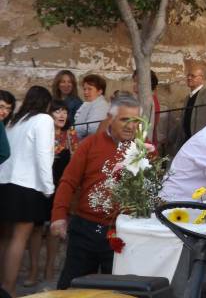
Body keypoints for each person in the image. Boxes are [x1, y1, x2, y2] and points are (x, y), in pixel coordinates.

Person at [50, 95, 141, 289]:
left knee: (118, 291)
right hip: (86, 229)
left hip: (125, 232)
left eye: (136, 121)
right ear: (110, 117)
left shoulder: (144, 149)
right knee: (71, 288)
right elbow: (68, 182)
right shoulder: (90, 145)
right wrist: (58, 215)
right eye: (125, 119)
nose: (131, 126)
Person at [0, 86, 54, 297]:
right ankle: (9, 288)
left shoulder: (14, 121)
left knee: (4, 237)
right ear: (46, 104)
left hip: (4, 183)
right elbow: (43, 156)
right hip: (27, 185)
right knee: (19, 238)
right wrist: (48, 188)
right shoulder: (43, 120)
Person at [25, 100, 79, 286]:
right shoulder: (41, 131)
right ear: (49, 114)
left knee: (55, 229)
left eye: (64, 111)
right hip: (39, 187)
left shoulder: (70, 134)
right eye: (57, 111)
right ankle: (33, 271)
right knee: (36, 228)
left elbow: (76, 159)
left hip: (61, 188)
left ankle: (49, 269)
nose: (62, 115)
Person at [170, 63, 206, 153]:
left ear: (201, 78)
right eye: (188, 75)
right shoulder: (188, 97)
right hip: (189, 142)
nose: (189, 78)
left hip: (203, 144)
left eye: (193, 76)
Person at [131, 69, 163, 146]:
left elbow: (147, 126)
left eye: (138, 82)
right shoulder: (139, 98)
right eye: (134, 81)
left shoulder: (148, 101)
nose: (134, 84)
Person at [73, 74, 109, 139]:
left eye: (90, 89)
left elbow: (93, 128)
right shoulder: (88, 104)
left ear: (99, 91)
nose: (86, 92)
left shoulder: (101, 105)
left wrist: (76, 129)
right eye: (84, 89)